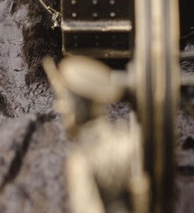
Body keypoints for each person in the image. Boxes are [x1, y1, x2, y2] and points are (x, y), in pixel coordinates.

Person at [45, 55, 149, 213]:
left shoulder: (82, 161)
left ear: (81, 106)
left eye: (66, 100)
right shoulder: (130, 139)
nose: (59, 107)